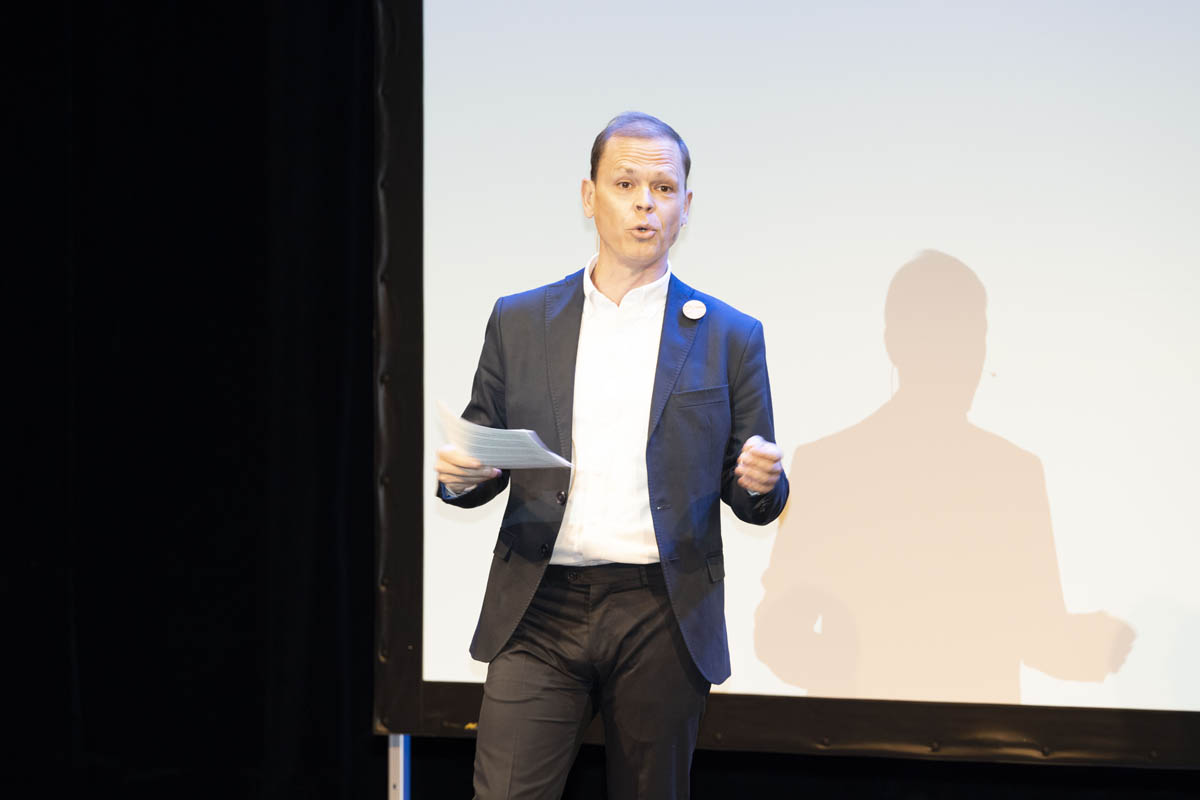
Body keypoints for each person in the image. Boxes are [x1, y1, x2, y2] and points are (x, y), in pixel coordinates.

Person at [435, 112, 789, 800]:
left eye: (664, 188)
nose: (644, 203)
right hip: (539, 603)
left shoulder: (730, 335)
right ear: (588, 195)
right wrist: (463, 474)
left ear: (687, 205)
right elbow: (482, 452)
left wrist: (760, 482)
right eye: (625, 184)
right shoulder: (519, 320)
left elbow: (754, 491)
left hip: (661, 609)